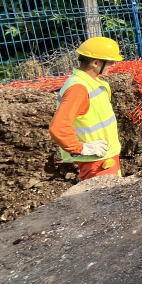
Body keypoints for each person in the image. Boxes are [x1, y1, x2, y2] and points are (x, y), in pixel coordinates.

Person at [49, 37, 125, 180]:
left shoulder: (92, 83)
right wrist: (82, 149)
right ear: (95, 63)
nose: (114, 64)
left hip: (104, 157)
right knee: (105, 200)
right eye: (109, 61)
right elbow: (58, 128)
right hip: (97, 162)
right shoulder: (79, 89)